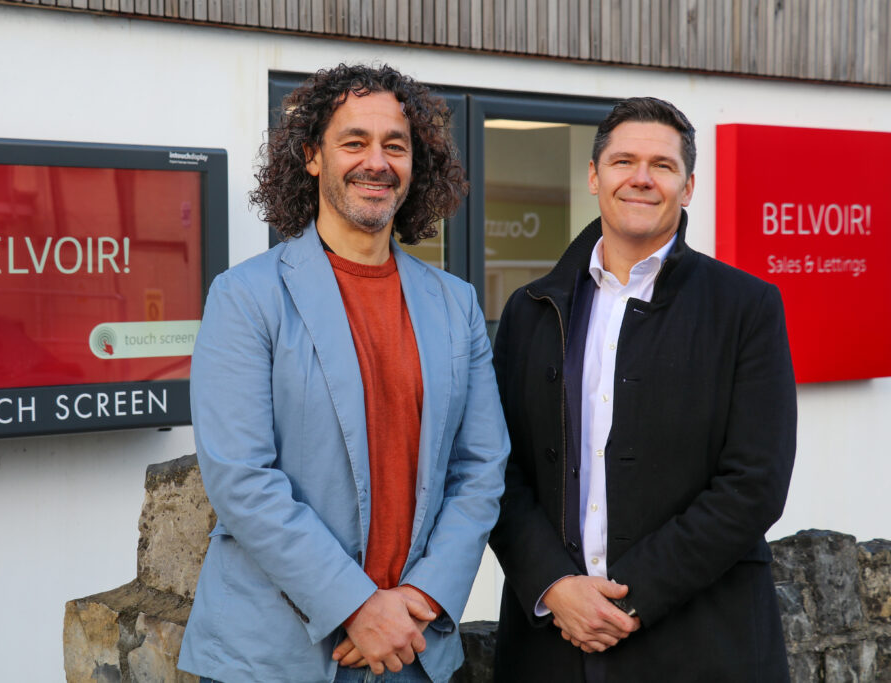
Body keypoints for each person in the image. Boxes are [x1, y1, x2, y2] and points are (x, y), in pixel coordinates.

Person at [178, 64, 510, 683]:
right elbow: (242, 478)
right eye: (354, 142)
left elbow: (482, 465)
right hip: (276, 656)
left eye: (395, 145)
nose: (376, 162)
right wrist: (356, 605)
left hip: (414, 648)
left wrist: (424, 598)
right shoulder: (247, 296)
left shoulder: (455, 303)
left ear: (417, 164)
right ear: (312, 157)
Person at [488, 97, 797, 681]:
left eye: (662, 165)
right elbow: (495, 467)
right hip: (550, 646)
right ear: (594, 175)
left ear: (688, 187)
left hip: (701, 642)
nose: (640, 178)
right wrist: (554, 586)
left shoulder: (746, 307)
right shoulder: (531, 310)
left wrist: (628, 600)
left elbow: (754, 483)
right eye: (624, 160)